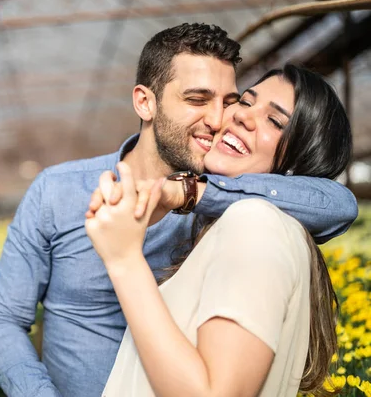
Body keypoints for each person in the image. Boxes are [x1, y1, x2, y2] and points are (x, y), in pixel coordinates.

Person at [0, 24, 358, 397]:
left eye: (228, 101)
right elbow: (4, 320)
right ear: (145, 102)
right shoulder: (57, 190)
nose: (217, 119)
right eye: (197, 99)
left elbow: (337, 204)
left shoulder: (227, 203)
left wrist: (189, 193)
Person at [86, 64, 349, 396]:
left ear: (301, 161)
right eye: (246, 101)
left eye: (275, 121)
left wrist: (124, 259)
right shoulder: (252, 224)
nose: (242, 116)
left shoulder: (255, 224)